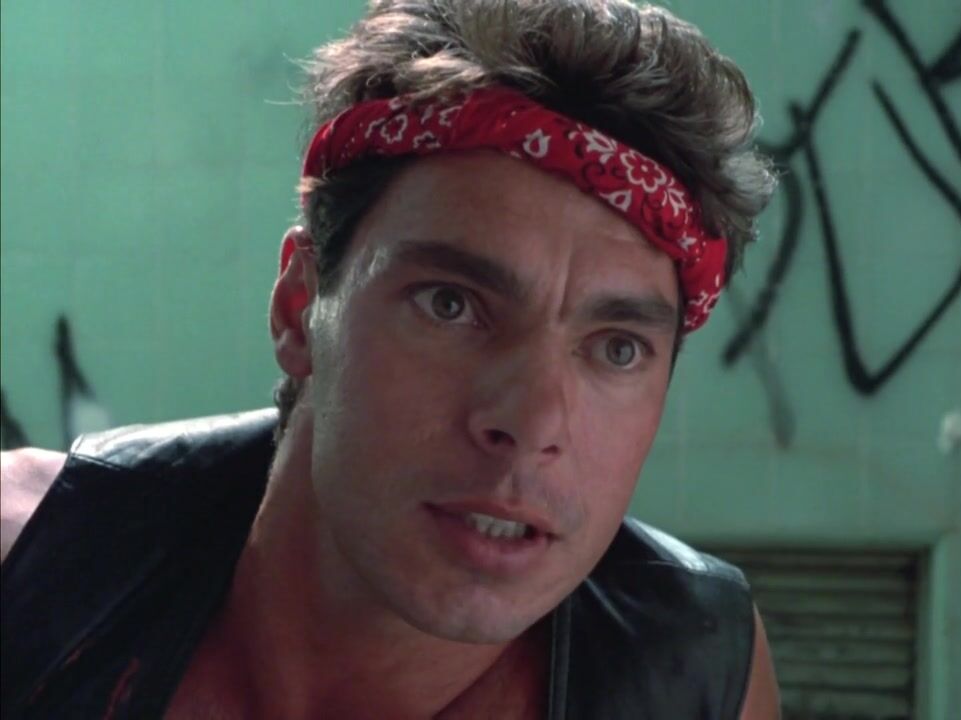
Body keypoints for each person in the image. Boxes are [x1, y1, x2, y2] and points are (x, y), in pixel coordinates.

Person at [0, 0, 780, 717]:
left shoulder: (695, 672)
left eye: (617, 348)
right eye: (451, 304)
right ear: (300, 306)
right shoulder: (31, 564)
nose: (532, 422)